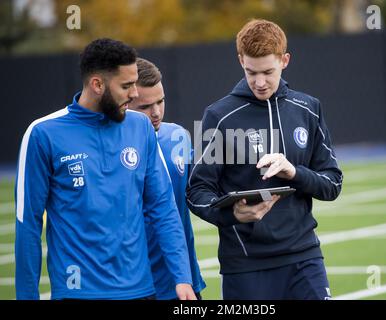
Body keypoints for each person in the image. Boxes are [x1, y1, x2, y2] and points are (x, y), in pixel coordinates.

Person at [15, 38, 196, 300]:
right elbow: (28, 224)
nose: (135, 94)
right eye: (126, 86)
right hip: (78, 292)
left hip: (142, 291)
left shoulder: (140, 127)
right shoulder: (43, 134)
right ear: (97, 84)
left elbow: (163, 207)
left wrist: (181, 277)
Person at [186, 19, 343, 300]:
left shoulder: (308, 108)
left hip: (304, 257)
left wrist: (294, 172)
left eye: (268, 72)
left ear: (285, 60)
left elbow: (333, 184)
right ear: (240, 61)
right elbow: (196, 192)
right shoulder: (217, 116)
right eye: (251, 72)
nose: (259, 82)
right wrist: (231, 214)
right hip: (245, 266)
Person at [129, 58, 206, 299]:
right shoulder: (110, 150)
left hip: (183, 282)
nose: (156, 112)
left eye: (161, 101)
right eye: (145, 106)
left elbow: (198, 193)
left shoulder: (178, 137)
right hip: (134, 285)